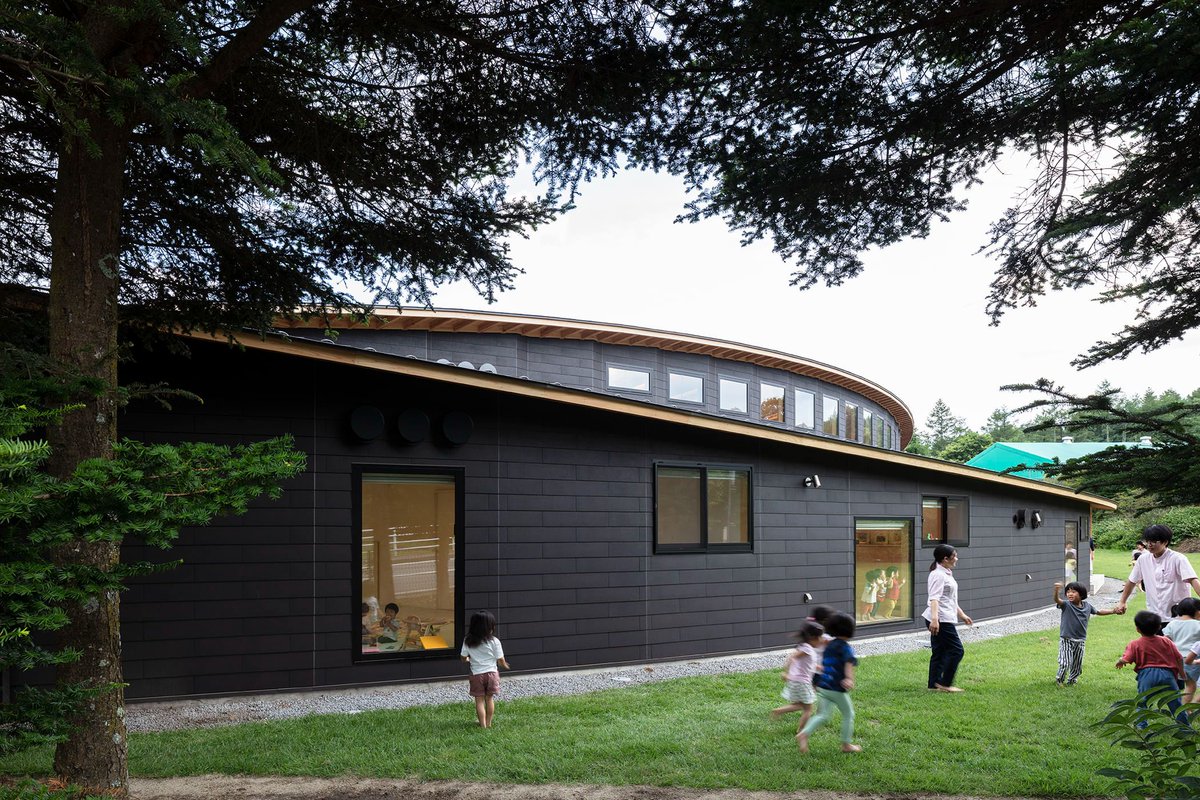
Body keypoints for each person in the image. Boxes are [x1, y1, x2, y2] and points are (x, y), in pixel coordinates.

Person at [797, 612, 860, 754]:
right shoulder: (846, 648)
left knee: (823, 715)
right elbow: (848, 664)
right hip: (837, 688)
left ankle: (804, 734)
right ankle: (846, 745)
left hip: (823, 685)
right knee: (849, 714)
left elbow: (821, 644)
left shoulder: (829, 644)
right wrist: (849, 678)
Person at [1115, 525, 1200, 622]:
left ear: (1165, 542)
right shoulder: (1143, 559)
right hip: (1155, 617)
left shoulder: (1178, 559)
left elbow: (1193, 580)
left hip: (1178, 618)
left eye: (1154, 541)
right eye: (1148, 541)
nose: (1149, 544)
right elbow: (1132, 581)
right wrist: (1122, 601)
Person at [1116, 610, 1186, 723]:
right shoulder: (1166, 641)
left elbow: (1126, 659)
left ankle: (1142, 726)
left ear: (1137, 628)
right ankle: (1185, 727)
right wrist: (1182, 674)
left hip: (1147, 675)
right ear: (1159, 627)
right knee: (1175, 702)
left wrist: (1120, 661)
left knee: (1143, 702)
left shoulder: (1134, 643)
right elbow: (1179, 658)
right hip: (1168, 675)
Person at [922, 544, 973, 692]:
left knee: (940, 651)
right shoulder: (938, 575)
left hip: (943, 617)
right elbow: (934, 599)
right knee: (957, 650)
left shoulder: (946, 573)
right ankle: (945, 684)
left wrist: (962, 615)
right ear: (945, 559)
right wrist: (935, 619)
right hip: (941, 619)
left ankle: (933, 685)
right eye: (954, 556)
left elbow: (949, 599)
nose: (956, 558)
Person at [1053, 580, 1118, 685]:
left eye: (1073, 591)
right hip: (1066, 639)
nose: (1070, 594)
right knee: (1065, 663)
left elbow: (1098, 612)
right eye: (1068, 592)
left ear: (1081, 594)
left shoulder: (1087, 606)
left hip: (1080, 640)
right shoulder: (1066, 605)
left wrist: (1113, 611)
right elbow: (1057, 600)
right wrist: (1056, 591)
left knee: (1077, 664)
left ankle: (1072, 681)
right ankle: (1059, 680)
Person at [770, 620, 825, 741]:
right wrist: (786, 671)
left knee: (799, 705)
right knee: (808, 709)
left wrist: (819, 668)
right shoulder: (807, 649)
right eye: (819, 637)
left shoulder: (804, 647)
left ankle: (778, 711)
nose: (821, 640)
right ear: (812, 638)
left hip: (797, 681)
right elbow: (792, 657)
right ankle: (801, 732)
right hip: (802, 682)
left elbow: (807, 664)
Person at [460, 610, 510, 728]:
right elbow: (500, 659)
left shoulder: (468, 640)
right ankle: (489, 723)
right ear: (490, 627)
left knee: (479, 701)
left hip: (477, 675)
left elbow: (463, 657)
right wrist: (505, 665)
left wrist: (467, 660)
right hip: (492, 674)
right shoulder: (494, 641)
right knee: (489, 699)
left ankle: (482, 725)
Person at [1165, 598, 1200, 705]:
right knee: (1191, 686)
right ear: (1197, 612)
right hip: (1193, 660)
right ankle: (1186, 708)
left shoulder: (1172, 624)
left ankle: (1186, 708)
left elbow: (1166, 641)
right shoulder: (1198, 624)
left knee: (1188, 684)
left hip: (1177, 660)